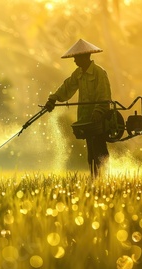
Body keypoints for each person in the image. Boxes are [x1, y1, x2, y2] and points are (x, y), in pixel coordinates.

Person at [44, 39, 112, 177]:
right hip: (86, 119)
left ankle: (104, 178)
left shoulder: (99, 73)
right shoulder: (78, 73)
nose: (74, 60)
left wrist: (98, 111)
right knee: (91, 153)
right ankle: (95, 178)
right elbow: (67, 87)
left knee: (99, 149)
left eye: (76, 57)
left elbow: (104, 96)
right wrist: (53, 98)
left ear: (85, 56)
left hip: (99, 119)